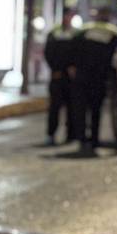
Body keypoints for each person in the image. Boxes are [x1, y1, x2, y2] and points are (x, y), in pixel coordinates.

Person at [70, 8, 117, 151]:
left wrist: (72, 66)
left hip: (82, 76)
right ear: (108, 18)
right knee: (95, 109)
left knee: (81, 109)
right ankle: (94, 140)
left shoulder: (84, 30)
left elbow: (71, 49)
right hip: (100, 77)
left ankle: (81, 138)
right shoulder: (114, 31)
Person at [42, 11, 79, 145]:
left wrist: (74, 68)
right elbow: (48, 53)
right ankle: (51, 135)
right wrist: (56, 69)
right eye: (66, 16)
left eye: (70, 16)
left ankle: (71, 135)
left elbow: (79, 54)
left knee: (72, 107)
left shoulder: (75, 34)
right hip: (57, 75)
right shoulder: (54, 34)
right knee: (54, 108)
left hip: (71, 77)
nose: (68, 19)